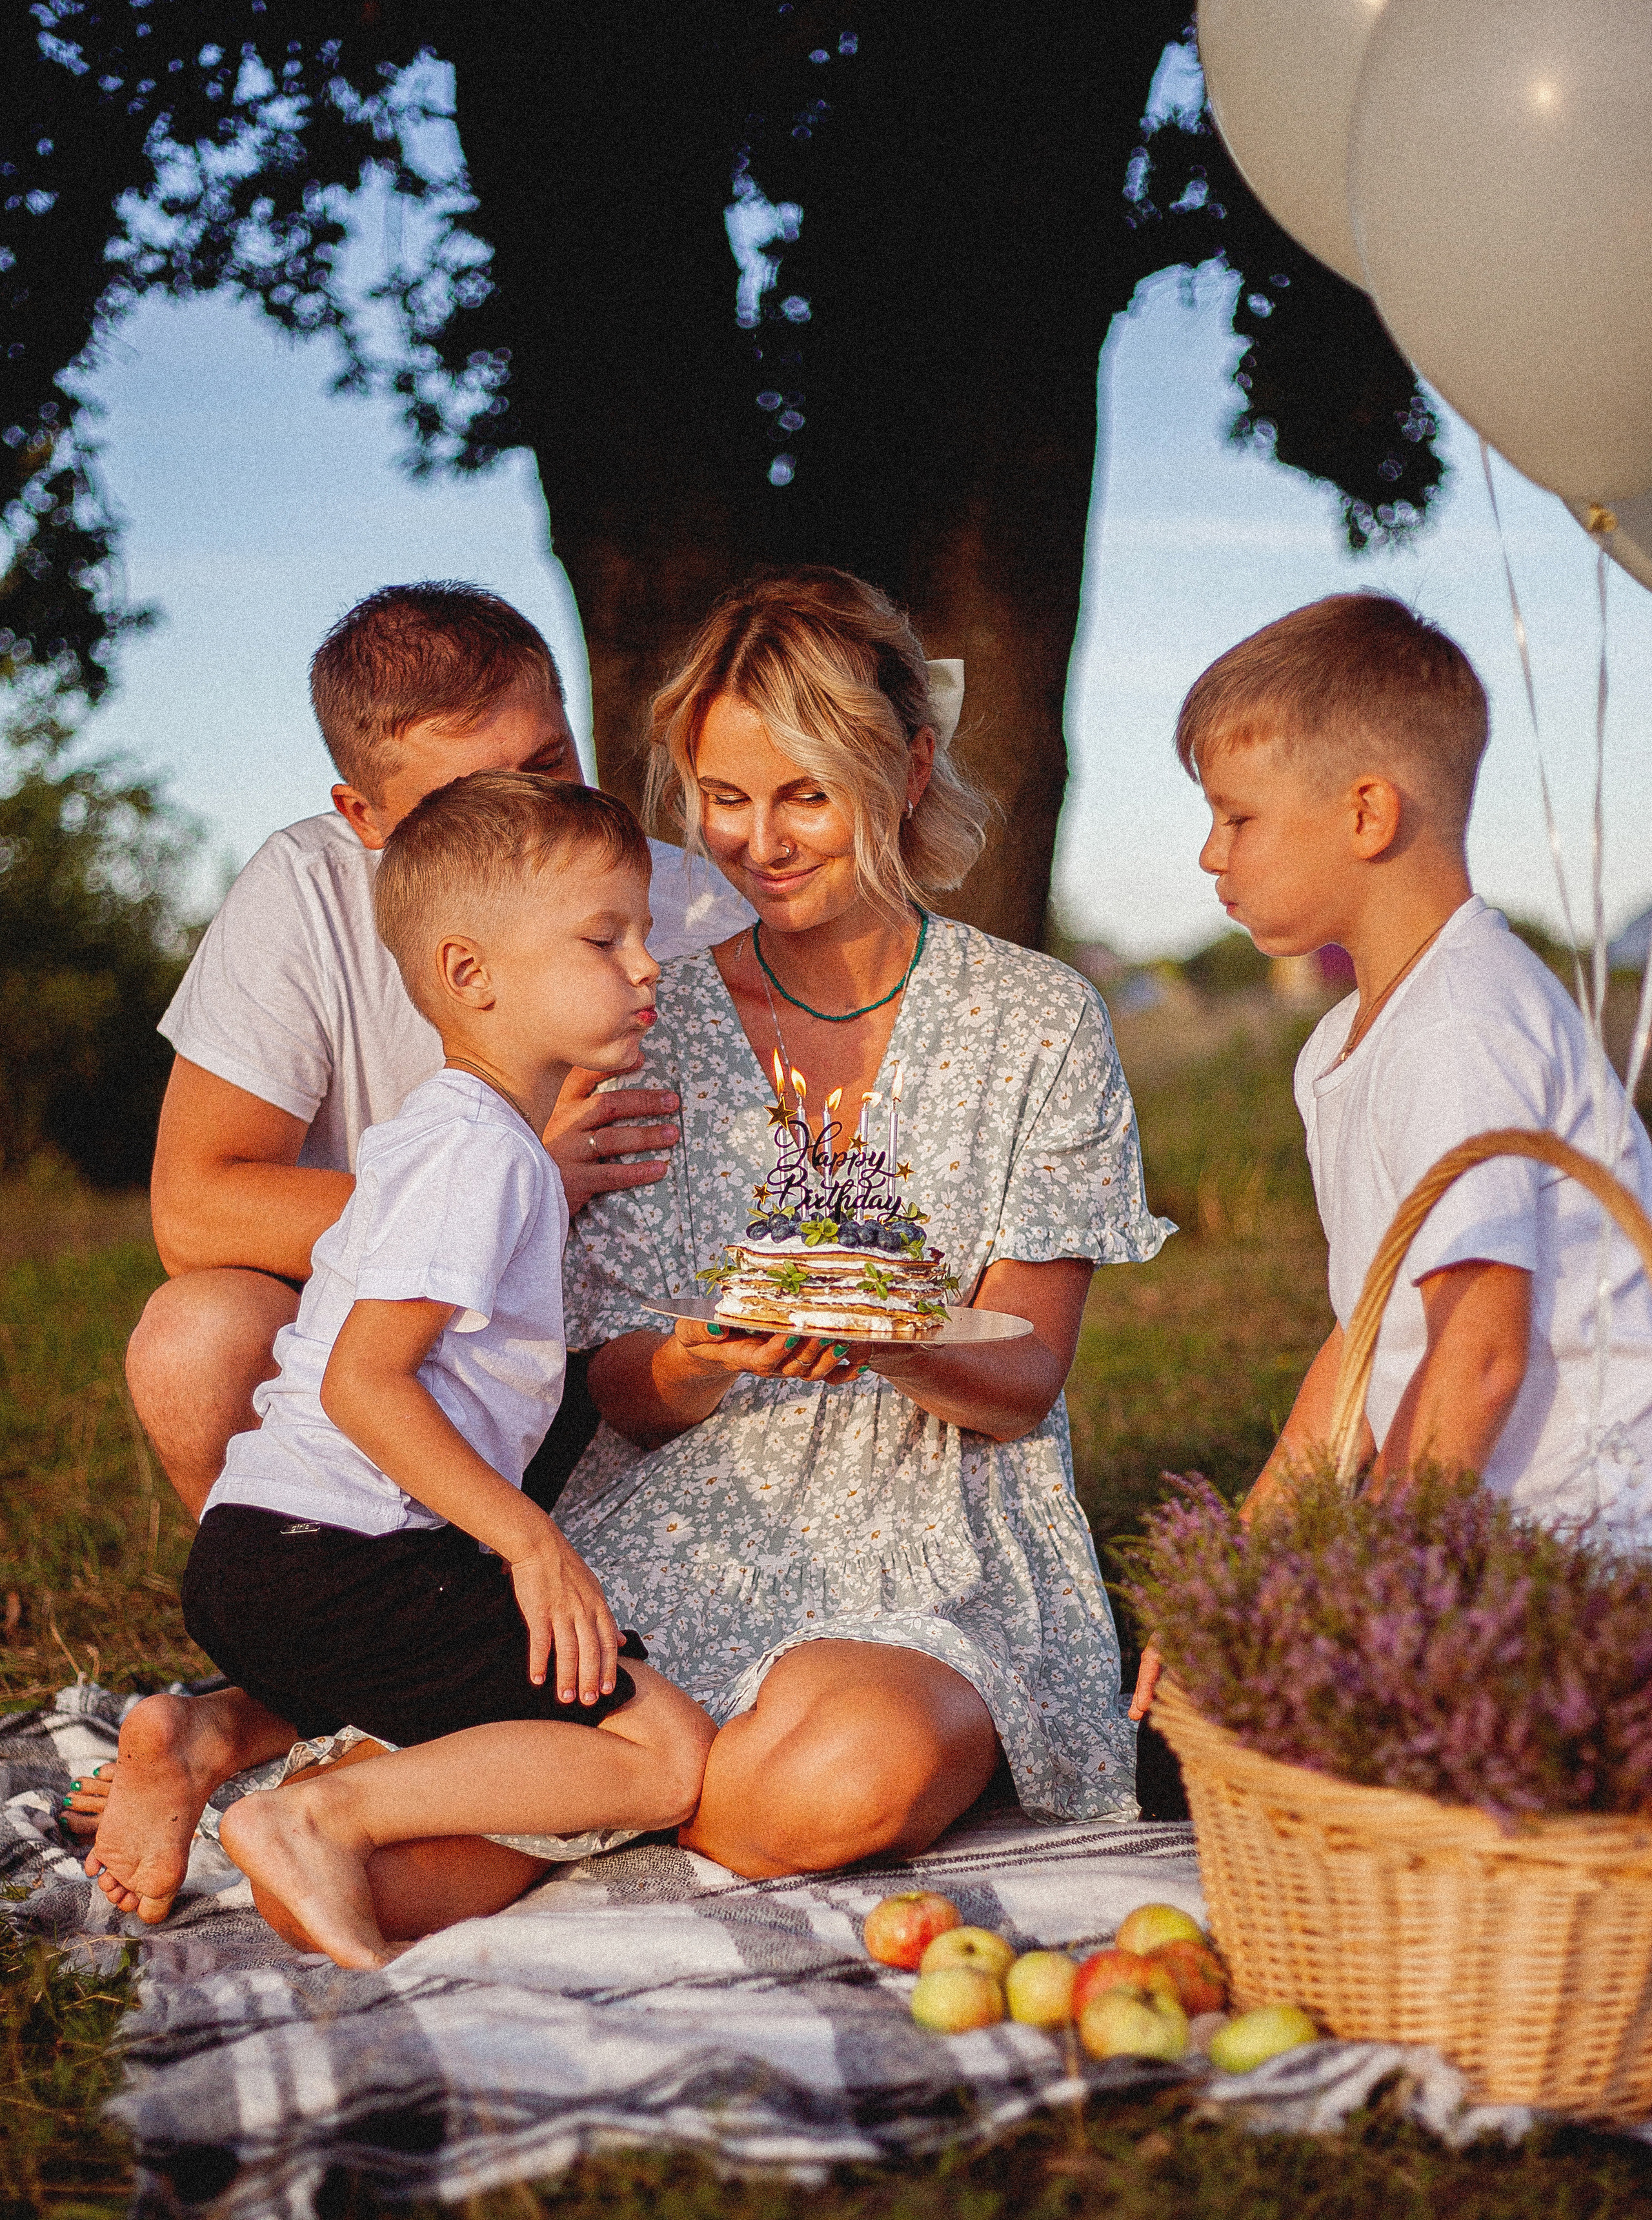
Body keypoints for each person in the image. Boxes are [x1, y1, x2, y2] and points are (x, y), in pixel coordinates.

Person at [79, 584, 747, 1916]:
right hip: (391, 1469)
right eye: (468, 800)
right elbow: (204, 1214)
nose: (535, 824)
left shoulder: (652, 897)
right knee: (655, 1750)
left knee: (461, 1637)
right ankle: (330, 1796)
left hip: (554, 1383)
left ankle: (221, 1731)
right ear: (365, 820)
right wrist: (505, 1212)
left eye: (551, 766)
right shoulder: (461, 1132)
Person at [547, 567, 1171, 1877]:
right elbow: (615, 1388)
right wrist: (704, 1353)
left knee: (847, 1780)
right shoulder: (644, 1027)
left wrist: (880, 1330)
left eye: (803, 795)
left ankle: (616, 1802)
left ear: (907, 768)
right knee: (445, 1836)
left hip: (942, 1531)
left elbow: (1021, 1383)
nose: (756, 841)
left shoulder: (1039, 1022)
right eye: (724, 798)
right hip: (690, 1512)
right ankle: (625, 1784)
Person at [1132, 592, 1652, 1720]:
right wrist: (1246, 1553)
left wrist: (1366, 1596)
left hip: (1584, 1562)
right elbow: (1374, 1342)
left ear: (1367, 812)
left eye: (1237, 818)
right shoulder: (1352, 1039)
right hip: (1494, 1542)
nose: (1209, 854)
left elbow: (1477, 1355)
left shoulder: (1463, 1022)